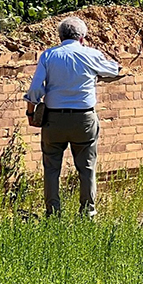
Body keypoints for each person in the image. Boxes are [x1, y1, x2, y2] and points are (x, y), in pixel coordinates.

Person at [23, 16, 120, 217]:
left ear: (60, 36)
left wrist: (30, 113)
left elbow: (35, 89)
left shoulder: (48, 55)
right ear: (82, 37)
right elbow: (114, 70)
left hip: (53, 119)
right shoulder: (90, 54)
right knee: (87, 168)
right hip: (83, 119)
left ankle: (53, 213)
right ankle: (88, 213)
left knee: (51, 168)